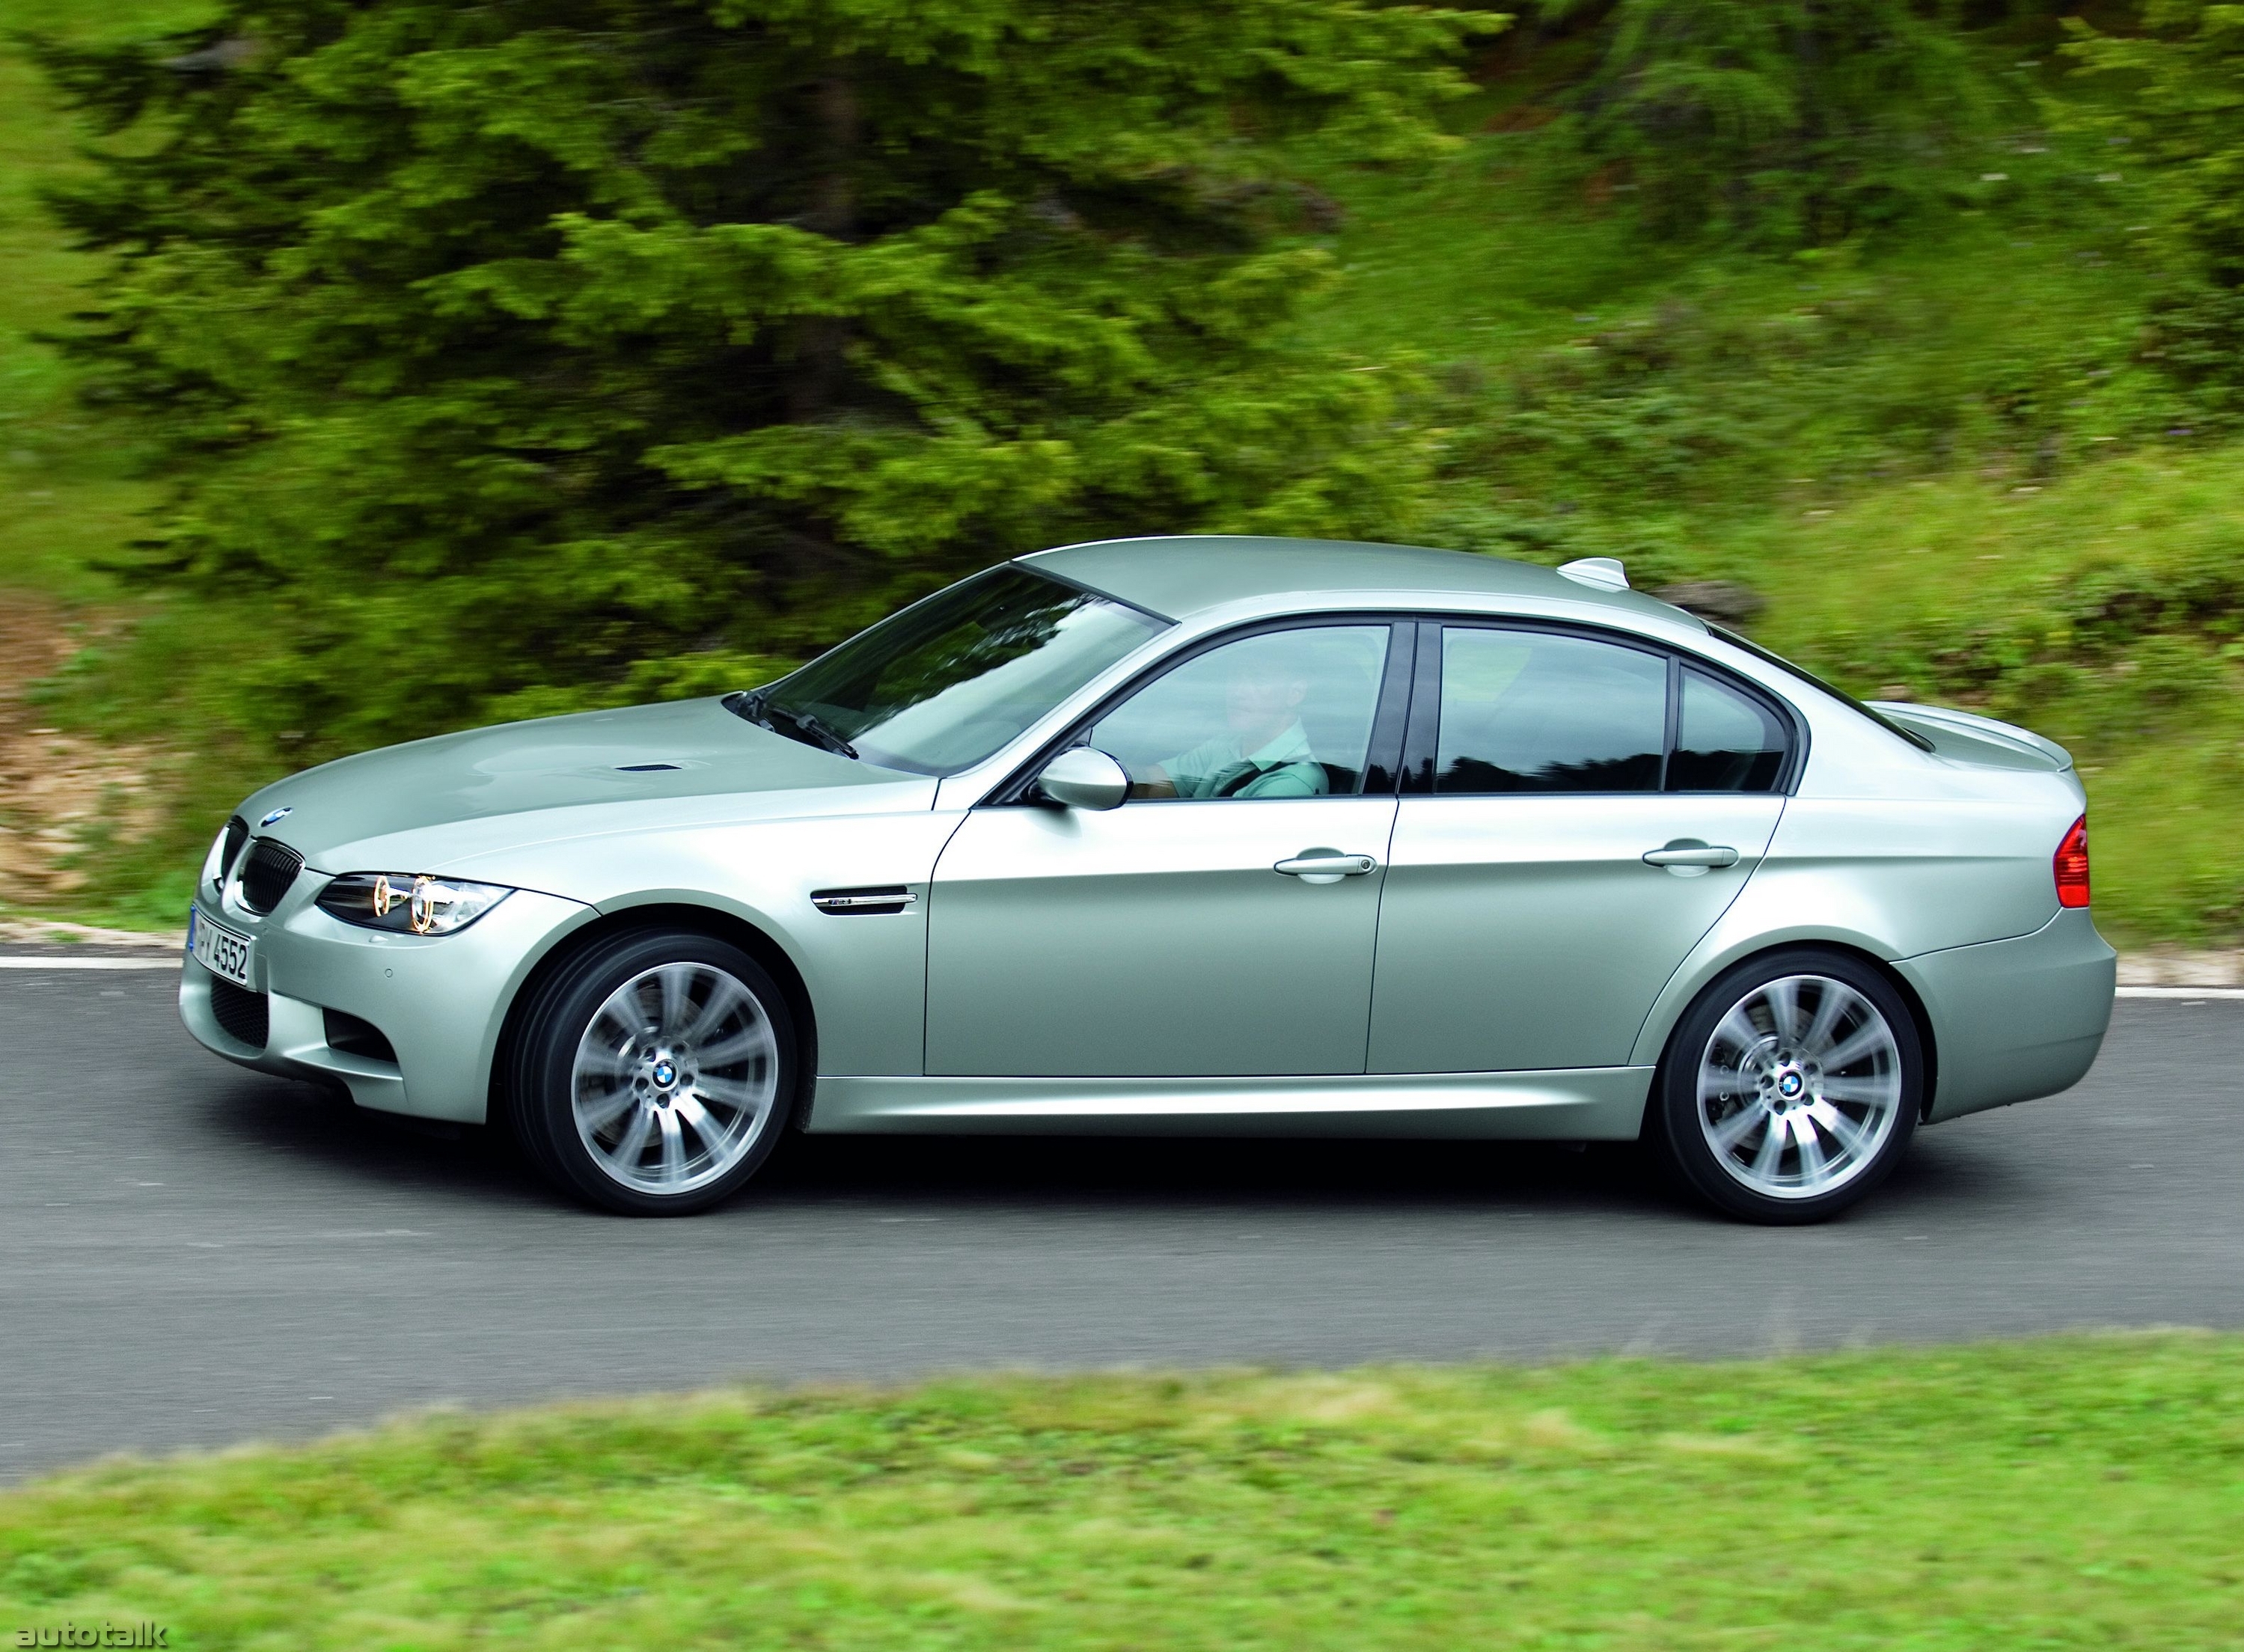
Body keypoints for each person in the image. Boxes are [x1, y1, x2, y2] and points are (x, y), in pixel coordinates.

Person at [1130, 652, 1328, 800]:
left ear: (1296, 693)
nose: (1238, 691)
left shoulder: (1291, 782)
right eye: (1235, 676)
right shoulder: (1229, 744)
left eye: (1258, 679)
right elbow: (1151, 784)